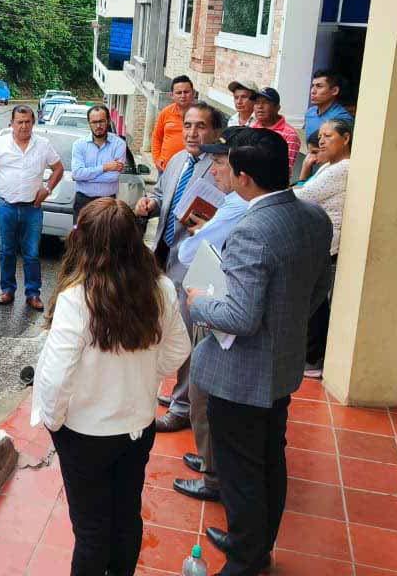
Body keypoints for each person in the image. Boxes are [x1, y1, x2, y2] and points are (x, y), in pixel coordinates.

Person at [186, 129, 332, 576]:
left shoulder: (253, 230)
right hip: (281, 363)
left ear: (245, 177)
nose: (224, 174)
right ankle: (253, 543)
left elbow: (240, 316)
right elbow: (319, 287)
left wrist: (198, 301)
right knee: (269, 458)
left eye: (228, 167)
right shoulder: (314, 217)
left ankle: (245, 560)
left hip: (242, 374)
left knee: (241, 472)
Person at [31, 198, 190, 576]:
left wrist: (53, 419)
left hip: (85, 432)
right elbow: (179, 349)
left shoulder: (77, 298)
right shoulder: (160, 288)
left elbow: (56, 375)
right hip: (137, 426)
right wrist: (145, 376)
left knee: (91, 529)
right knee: (126, 517)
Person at [169, 127, 258, 505]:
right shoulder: (241, 203)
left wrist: (200, 232)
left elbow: (189, 253)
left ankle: (213, 475)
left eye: (220, 163)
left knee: (205, 392)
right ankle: (210, 460)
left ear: (240, 170)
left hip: (217, 305)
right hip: (222, 304)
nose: (215, 171)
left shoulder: (237, 206)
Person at [134, 101, 223, 433]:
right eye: (187, 125)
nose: (192, 133)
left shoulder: (220, 167)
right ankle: (178, 393)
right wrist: (151, 204)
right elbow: (161, 194)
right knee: (169, 326)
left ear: (215, 132)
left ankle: (184, 406)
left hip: (198, 261)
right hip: (166, 255)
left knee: (188, 333)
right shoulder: (176, 161)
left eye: (201, 126)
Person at [0, 105, 64, 311]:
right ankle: (7, 290)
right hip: (6, 206)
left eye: (27, 122)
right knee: (6, 251)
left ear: (33, 123)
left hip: (32, 209)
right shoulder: (0, 143)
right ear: (12, 123)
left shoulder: (43, 145)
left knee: (32, 253)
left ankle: (33, 293)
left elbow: (58, 169)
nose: (24, 126)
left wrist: (47, 189)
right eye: (19, 122)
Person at [295, 119, 352, 378]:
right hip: (315, 241)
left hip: (325, 243)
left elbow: (303, 196)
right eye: (321, 136)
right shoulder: (329, 165)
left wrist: (299, 180)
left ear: (346, 139)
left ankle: (313, 357)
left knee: (315, 302)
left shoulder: (344, 168)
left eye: (329, 136)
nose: (321, 141)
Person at [71, 105, 127, 221]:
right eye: (94, 122)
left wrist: (85, 176)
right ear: (89, 123)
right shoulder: (79, 145)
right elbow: (77, 174)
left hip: (108, 203)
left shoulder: (119, 144)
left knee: (106, 233)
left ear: (108, 121)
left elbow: (113, 177)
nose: (98, 126)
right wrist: (105, 167)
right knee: (80, 233)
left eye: (101, 121)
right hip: (83, 202)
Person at [249, 87, 302, 173]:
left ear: (277, 107)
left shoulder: (289, 134)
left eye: (265, 102)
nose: (260, 106)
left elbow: (284, 170)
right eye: (257, 102)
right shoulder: (252, 127)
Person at [151, 75, 197, 171]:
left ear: (193, 93)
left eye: (186, 92)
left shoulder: (200, 114)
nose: (183, 96)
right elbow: (156, 138)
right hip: (166, 167)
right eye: (179, 93)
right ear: (171, 95)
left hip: (189, 169)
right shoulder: (165, 112)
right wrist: (157, 159)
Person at [304, 70, 354, 140]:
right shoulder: (310, 113)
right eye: (313, 86)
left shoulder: (342, 118)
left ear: (334, 91)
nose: (313, 91)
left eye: (319, 86)